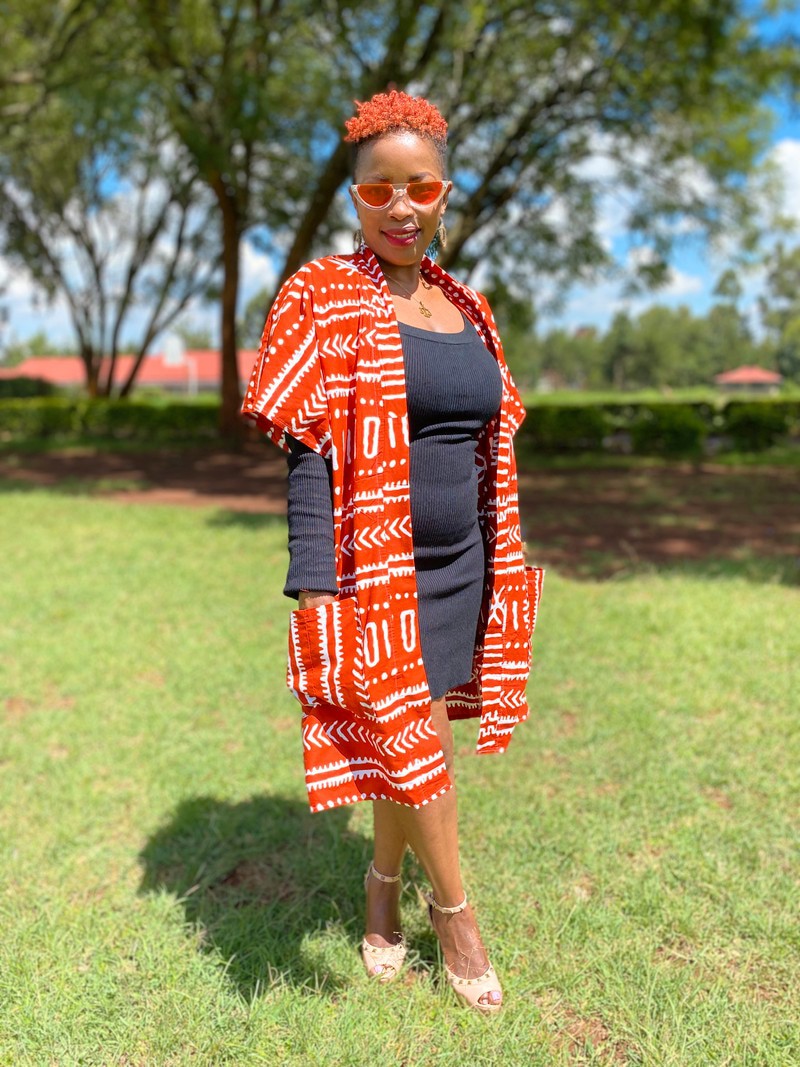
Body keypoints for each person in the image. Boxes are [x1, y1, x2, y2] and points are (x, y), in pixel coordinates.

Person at [241, 89, 543, 1015]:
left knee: (409, 742)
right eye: (379, 190)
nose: (401, 206)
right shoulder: (322, 295)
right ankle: (455, 913)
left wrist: (504, 557)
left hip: (466, 567)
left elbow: (492, 436)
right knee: (418, 741)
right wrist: (314, 582)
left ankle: (380, 889)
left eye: (421, 186)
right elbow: (309, 448)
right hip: (377, 571)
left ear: (445, 193)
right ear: (355, 198)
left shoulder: (469, 306)